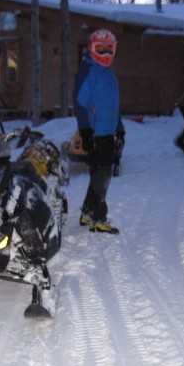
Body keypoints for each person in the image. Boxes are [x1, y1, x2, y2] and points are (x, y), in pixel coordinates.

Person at [73, 29, 125, 234]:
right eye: (100, 49)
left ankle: (88, 211)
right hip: (95, 133)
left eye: (108, 49)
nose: (104, 53)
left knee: (99, 173)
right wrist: (85, 130)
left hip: (108, 132)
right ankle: (97, 217)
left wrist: (120, 130)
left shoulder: (110, 75)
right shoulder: (88, 70)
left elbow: (114, 106)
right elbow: (79, 103)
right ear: (92, 48)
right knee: (102, 174)